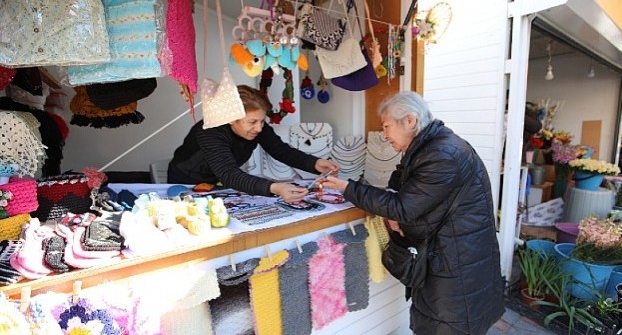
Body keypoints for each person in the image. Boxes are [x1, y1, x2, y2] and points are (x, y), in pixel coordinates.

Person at [321, 91, 505, 334]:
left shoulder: (442, 154)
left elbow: (405, 207)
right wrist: (394, 214)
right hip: (452, 257)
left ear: (410, 121)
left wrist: (348, 188)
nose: (384, 135)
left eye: (387, 126)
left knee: (445, 326)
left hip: (457, 265)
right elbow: (403, 189)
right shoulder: (428, 147)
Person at [167, 85, 339, 202]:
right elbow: (230, 174)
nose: (258, 128)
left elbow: (281, 151)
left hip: (218, 179)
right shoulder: (209, 131)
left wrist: (315, 164)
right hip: (186, 180)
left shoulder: (258, 126)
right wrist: (274, 187)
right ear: (231, 119)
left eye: (262, 121)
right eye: (252, 122)